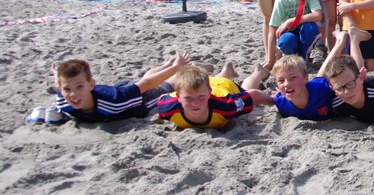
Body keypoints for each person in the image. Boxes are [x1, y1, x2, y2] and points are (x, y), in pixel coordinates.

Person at [50, 52, 189, 123]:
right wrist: (57, 74)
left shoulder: (115, 102)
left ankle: (180, 66)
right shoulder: (62, 100)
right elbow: (59, 83)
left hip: (136, 100)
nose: (73, 94)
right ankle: (167, 65)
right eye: (67, 89)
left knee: (169, 85)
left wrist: (176, 68)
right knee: (141, 82)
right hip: (119, 88)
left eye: (79, 87)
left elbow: (146, 84)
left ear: (91, 84)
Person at [156, 64, 254, 130]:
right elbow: (163, 98)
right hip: (202, 87)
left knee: (245, 89)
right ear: (178, 97)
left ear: (209, 94)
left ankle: (258, 72)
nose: (195, 103)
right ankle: (227, 70)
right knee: (208, 84)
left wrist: (266, 99)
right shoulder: (167, 108)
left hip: (224, 86)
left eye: (200, 98)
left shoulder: (226, 106)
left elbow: (253, 95)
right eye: (188, 98)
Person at [265, 0, 322, 66]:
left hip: (305, 31)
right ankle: (293, 56)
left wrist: (291, 21)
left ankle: (303, 57)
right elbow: (272, 30)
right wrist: (270, 60)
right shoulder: (280, 0)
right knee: (286, 41)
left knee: (310, 28)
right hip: (289, 33)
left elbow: (318, 15)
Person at [244, 54, 334, 121]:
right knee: (244, 93)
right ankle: (259, 73)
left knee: (320, 77)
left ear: (306, 78)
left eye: (293, 78)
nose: (286, 84)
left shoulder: (323, 88)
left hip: (315, 85)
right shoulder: (281, 102)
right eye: (281, 81)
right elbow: (254, 95)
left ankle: (339, 43)